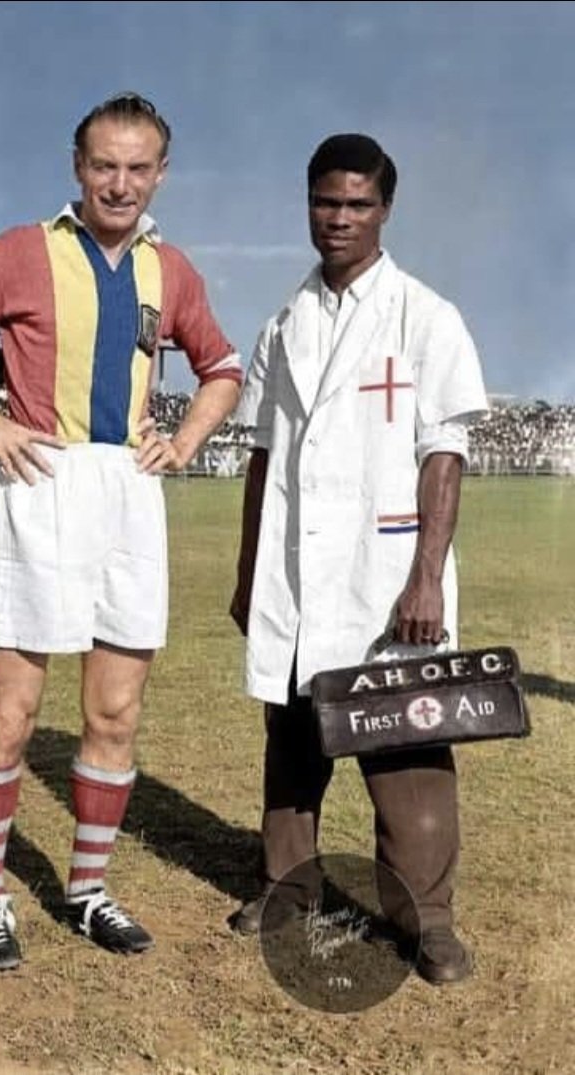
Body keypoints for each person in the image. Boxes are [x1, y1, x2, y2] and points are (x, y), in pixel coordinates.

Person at [0, 92, 242, 972]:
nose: (119, 184)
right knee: (10, 711)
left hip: (129, 492)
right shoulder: (25, 251)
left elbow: (223, 367)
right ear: (77, 167)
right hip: (42, 483)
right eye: (104, 165)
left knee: (115, 710)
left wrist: (185, 440)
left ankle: (88, 889)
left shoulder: (172, 271)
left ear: (161, 173)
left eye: (137, 168)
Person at [228, 134, 488, 985]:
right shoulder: (283, 324)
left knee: (407, 744)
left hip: (384, 572)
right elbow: (262, 456)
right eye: (325, 202)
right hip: (298, 571)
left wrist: (425, 576)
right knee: (293, 738)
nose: (338, 218)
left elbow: (443, 452)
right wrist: (249, 572)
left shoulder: (425, 316)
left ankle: (428, 920)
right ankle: (286, 888)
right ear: (307, 203)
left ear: (385, 209)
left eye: (357, 204)